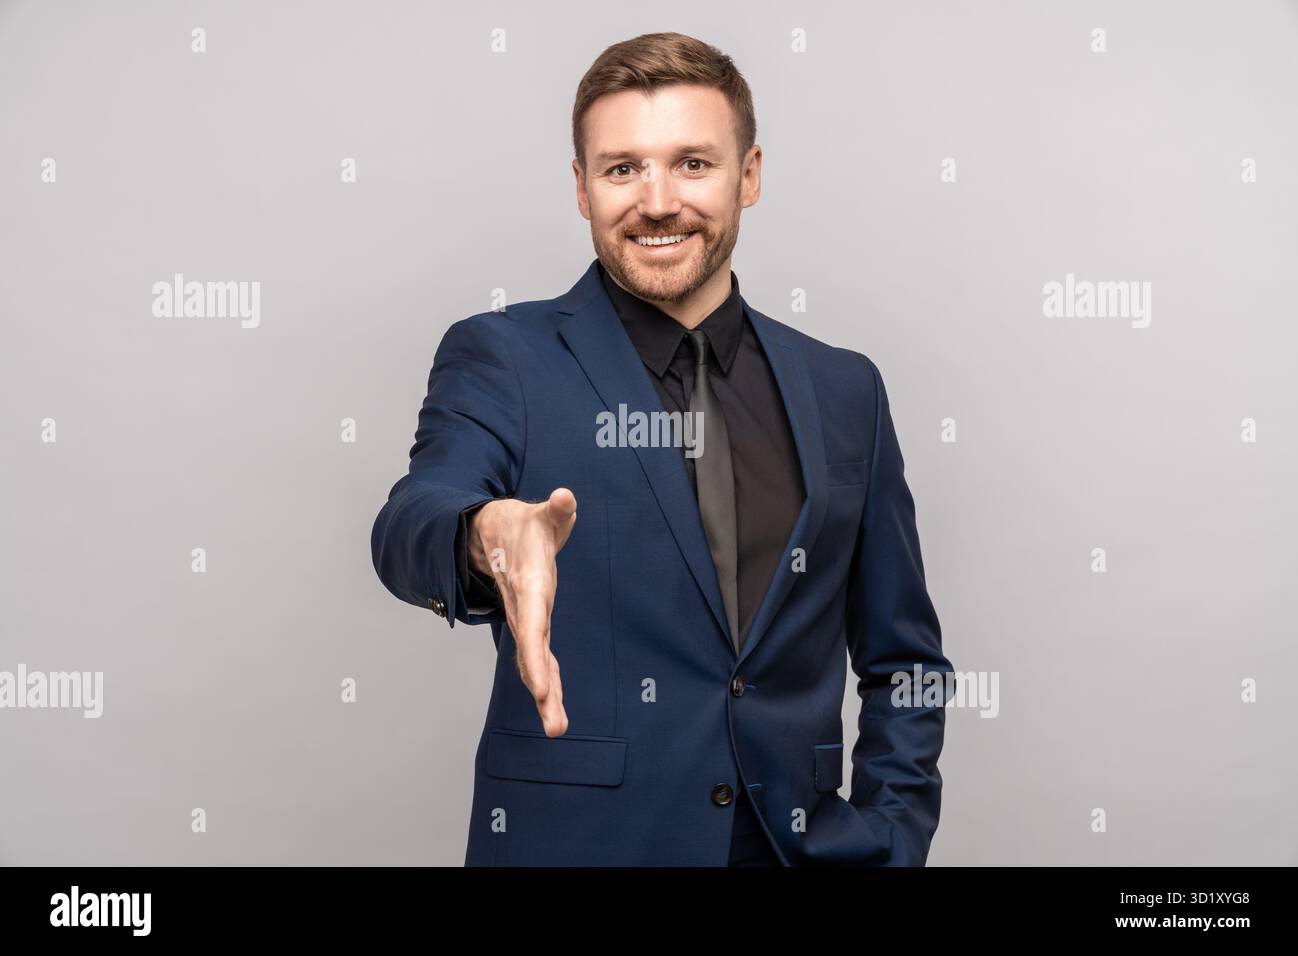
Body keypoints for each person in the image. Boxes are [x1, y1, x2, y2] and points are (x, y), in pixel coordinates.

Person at [371, 31, 953, 866]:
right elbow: (410, 519)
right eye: (622, 169)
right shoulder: (504, 356)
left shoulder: (846, 390)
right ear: (581, 188)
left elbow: (906, 662)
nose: (657, 201)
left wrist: (890, 837)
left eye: (692, 164)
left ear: (748, 175)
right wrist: (485, 534)